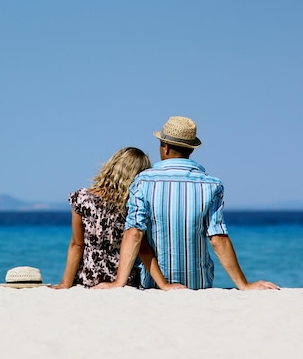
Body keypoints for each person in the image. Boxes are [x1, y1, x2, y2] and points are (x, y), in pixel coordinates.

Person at [95, 116, 280, 290]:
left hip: (154, 284)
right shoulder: (211, 185)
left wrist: (118, 283)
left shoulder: (143, 182)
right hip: (198, 283)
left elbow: (134, 233)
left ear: (165, 147)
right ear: (191, 149)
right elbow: (218, 239)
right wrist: (244, 285)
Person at [54, 147, 183, 290]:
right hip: (125, 281)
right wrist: (164, 284)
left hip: (87, 279)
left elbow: (77, 245)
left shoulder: (82, 199)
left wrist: (65, 283)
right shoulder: (132, 206)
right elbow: (142, 249)